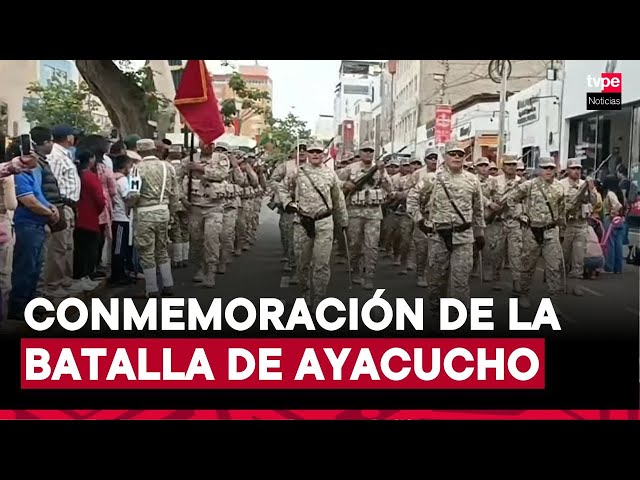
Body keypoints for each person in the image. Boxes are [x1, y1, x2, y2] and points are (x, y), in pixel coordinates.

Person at [413, 141, 485, 315]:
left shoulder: (472, 179)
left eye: (460, 154)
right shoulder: (432, 178)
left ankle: (457, 317)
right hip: (439, 236)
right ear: (444, 157)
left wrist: (480, 231)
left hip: (464, 236)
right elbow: (412, 198)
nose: (457, 157)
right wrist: (420, 221)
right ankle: (436, 311)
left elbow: (478, 208)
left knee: (460, 280)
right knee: (437, 280)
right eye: (452, 154)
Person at [277, 141, 348, 308]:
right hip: (302, 222)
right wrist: (288, 203)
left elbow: (338, 199)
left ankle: (319, 298)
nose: (315, 155)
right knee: (302, 263)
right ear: (307, 154)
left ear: (323, 155)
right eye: (312, 152)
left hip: (324, 222)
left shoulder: (331, 175)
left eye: (318, 152)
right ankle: (305, 292)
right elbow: (282, 188)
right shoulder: (297, 172)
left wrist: (343, 220)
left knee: (321, 263)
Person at [8, 141, 60, 321]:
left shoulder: (32, 173)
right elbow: (29, 200)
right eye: (30, 153)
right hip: (26, 225)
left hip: (37, 225)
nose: (35, 156)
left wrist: (51, 207)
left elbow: (39, 196)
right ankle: (18, 307)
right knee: (25, 268)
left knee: (35, 268)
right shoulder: (19, 174)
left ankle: (30, 305)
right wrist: (49, 213)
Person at [505, 157, 566, 309]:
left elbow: (562, 210)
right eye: (545, 168)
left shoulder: (559, 188)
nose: (548, 171)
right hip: (532, 231)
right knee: (528, 266)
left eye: (551, 168)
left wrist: (562, 229)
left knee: (553, 268)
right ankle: (524, 294)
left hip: (551, 231)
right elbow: (511, 199)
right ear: (539, 169)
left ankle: (553, 302)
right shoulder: (529, 185)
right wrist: (519, 215)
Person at [337, 141, 392, 290]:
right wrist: (346, 185)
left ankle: (369, 275)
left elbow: (389, 188)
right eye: (365, 151)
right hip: (354, 211)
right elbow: (336, 181)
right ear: (360, 153)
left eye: (370, 151)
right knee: (354, 244)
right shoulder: (351, 168)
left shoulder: (379, 168)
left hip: (373, 212)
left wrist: (382, 171)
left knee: (371, 245)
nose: (368, 153)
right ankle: (355, 270)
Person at [130, 139, 178, 297]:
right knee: (162, 249)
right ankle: (168, 283)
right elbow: (175, 193)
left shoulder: (137, 168)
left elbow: (134, 193)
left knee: (146, 251)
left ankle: (151, 288)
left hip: (145, 213)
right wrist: (171, 211)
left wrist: (129, 205)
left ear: (140, 151)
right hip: (163, 211)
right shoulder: (167, 166)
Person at [45, 124, 82, 296]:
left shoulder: (65, 155)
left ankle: (66, 281)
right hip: (61, 205)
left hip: (70, 206)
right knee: (58, 247)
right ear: (68, 138)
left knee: (68, 246)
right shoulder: (56, 156)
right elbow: (54, 182)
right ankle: (54, 285)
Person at [73, 149, 106, 287]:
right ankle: (86, 274)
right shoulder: (90, 177)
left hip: (78, 217)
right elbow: (100, 199)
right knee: (90, 249)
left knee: (79, 249)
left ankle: (80, 274)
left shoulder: (76, 175)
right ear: (91, 159)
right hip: (90, 217)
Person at [110, 155, 135, 285]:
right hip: (121, 217)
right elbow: (128, 198)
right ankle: (118, 275)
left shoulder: (114, 178)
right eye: (130, 166)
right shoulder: (123, 180)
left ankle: (120, 273)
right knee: (119, 249)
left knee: (119, 247)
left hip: (117, 217)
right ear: (125, 167)